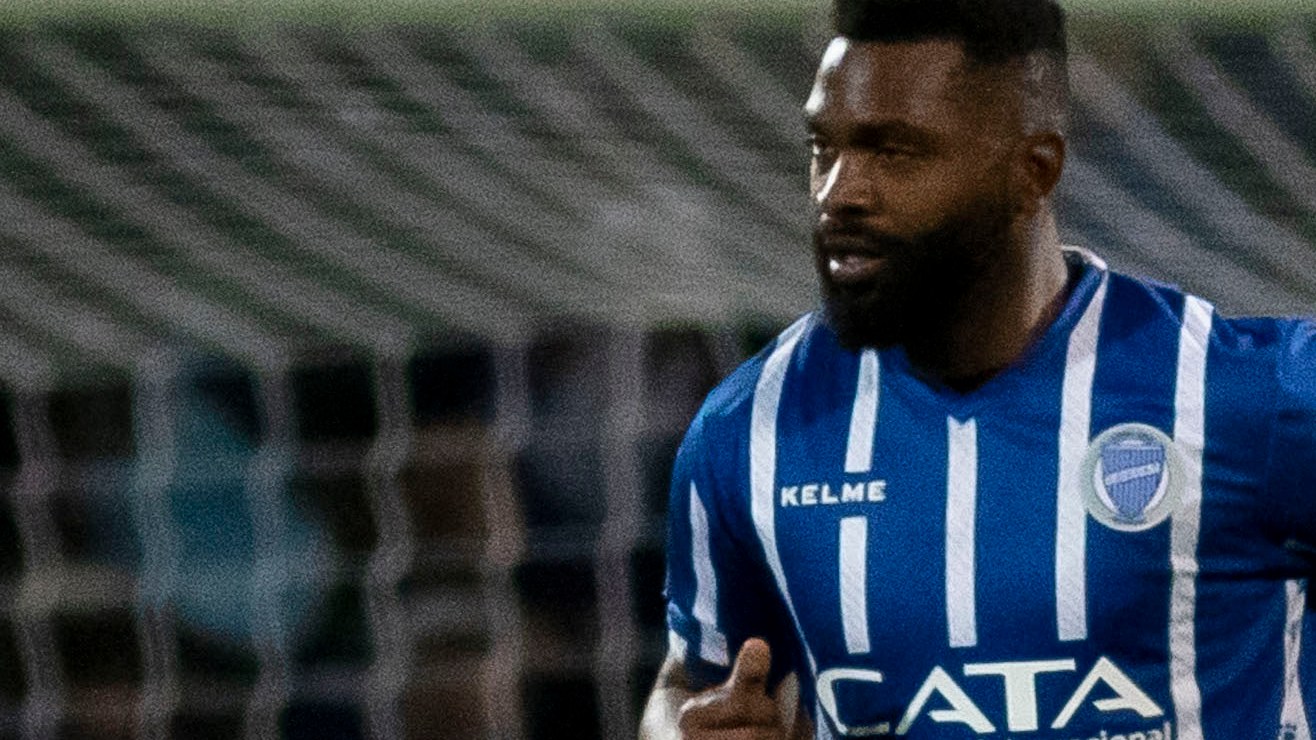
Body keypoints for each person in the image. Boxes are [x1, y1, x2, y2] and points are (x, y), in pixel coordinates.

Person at [639, 0, 1316, 737]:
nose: (839, 193)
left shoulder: (1248, 396)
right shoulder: (750, 432)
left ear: (1033, 172)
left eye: (894, 153)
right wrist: (682, 729)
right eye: (822, 148)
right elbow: (689, 684)